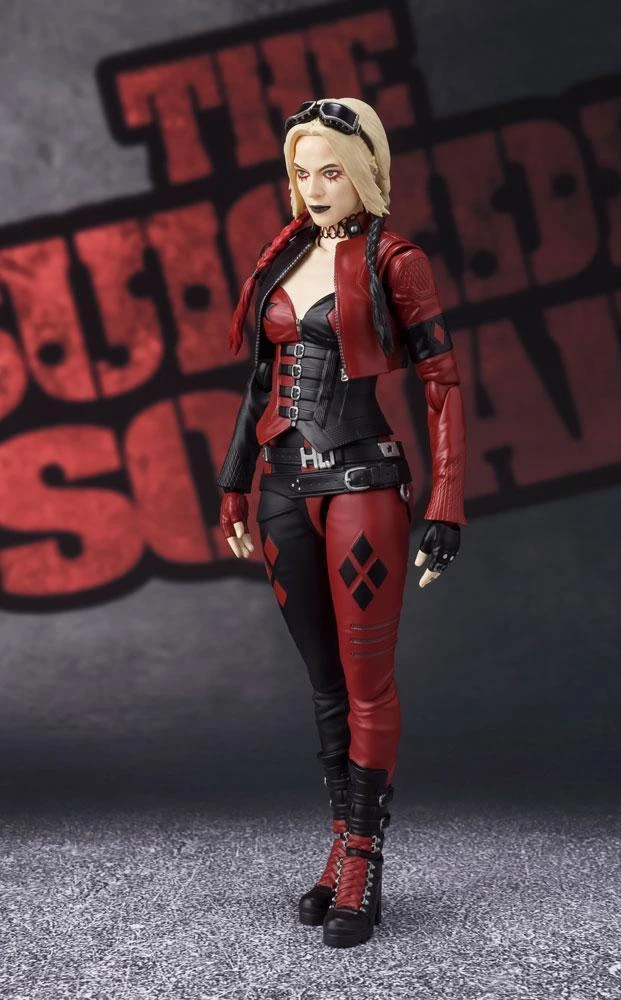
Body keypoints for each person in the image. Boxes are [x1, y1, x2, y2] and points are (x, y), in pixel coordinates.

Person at [217, 98, 466, 948]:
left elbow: (441, 384)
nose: (315, 187)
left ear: (364, 171)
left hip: (361, 484)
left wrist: (447, 501)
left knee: (367, 684)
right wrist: (234, 483)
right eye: (302, 171)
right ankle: (339, 845)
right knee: (324, 683)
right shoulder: (283, 254)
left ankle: (363, 855)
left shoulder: (395, 260)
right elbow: (262, 381)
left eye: (331, 170)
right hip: (283, 491)